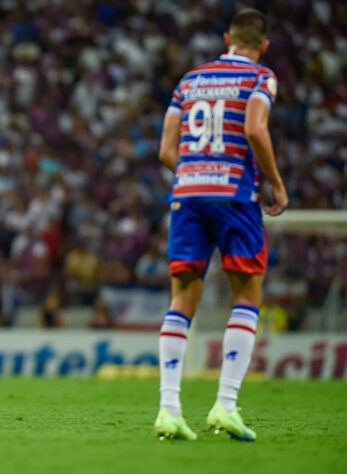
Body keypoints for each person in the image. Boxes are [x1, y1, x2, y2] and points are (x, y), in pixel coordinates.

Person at [153, 9, 288, 441]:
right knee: (247, 294)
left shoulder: (189, 81)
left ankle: (169, 410)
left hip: (187, 194)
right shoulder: (261, 78)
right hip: (233, 195)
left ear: (227, 38)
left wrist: (196, 171)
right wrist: (275, 184)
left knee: (182, 300)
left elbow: (165, 151)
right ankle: (225, 406)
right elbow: (254, 127)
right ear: (263, 45)